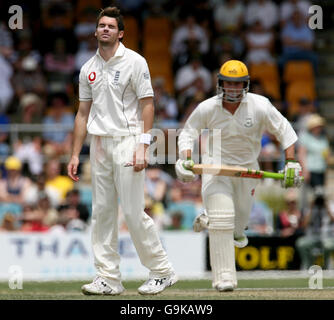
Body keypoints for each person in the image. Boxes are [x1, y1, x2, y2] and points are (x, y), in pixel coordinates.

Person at [67, 7, 176, 296]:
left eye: (111, 26)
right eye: (101, 25)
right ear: (95, 31)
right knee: (102, 213)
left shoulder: (135, 61)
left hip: (128, 140)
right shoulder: (87, 68)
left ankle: (162, 271)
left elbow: (148, 104)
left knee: (131, 211)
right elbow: (82, 114)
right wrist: (76, 154)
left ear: (120, 33)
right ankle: (108, 278)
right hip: (99, 143)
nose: (105, 29)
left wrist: (143, 145)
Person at [175, 60, 302, 292]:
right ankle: (224, 278)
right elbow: (187, 133)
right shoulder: (207, 107)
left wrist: (291, 162)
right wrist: (185, 158)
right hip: (216, 169)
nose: (233, 89)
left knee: (237, 228)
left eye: (238, 84)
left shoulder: (260, 105)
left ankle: (209, 218)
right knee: (224, 217)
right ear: (220, 84)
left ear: (246, 85)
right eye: (228, 84)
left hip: (248, 171)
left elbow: (286, 132)